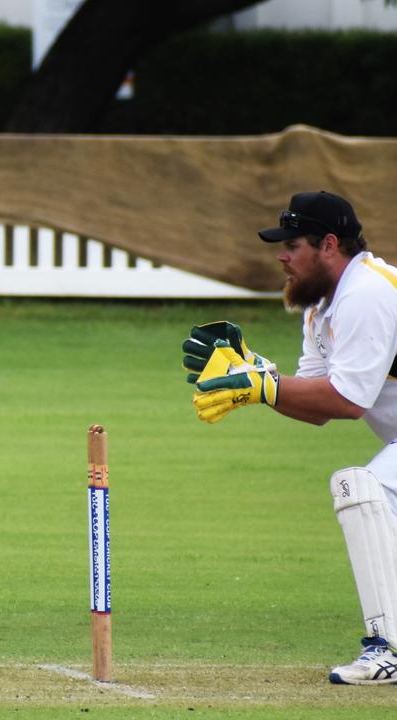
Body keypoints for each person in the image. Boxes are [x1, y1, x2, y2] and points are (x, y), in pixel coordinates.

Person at [186, 190, 397, 684]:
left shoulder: (367, 294)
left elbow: (345, 402)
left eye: (292, 244)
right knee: (372, 492)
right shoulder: (322, 306)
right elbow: (313, 402)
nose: (281, 255)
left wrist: (261, 386)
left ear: (328, 245)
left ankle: (388, 648)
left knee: (361, 487)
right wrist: (254, 373)